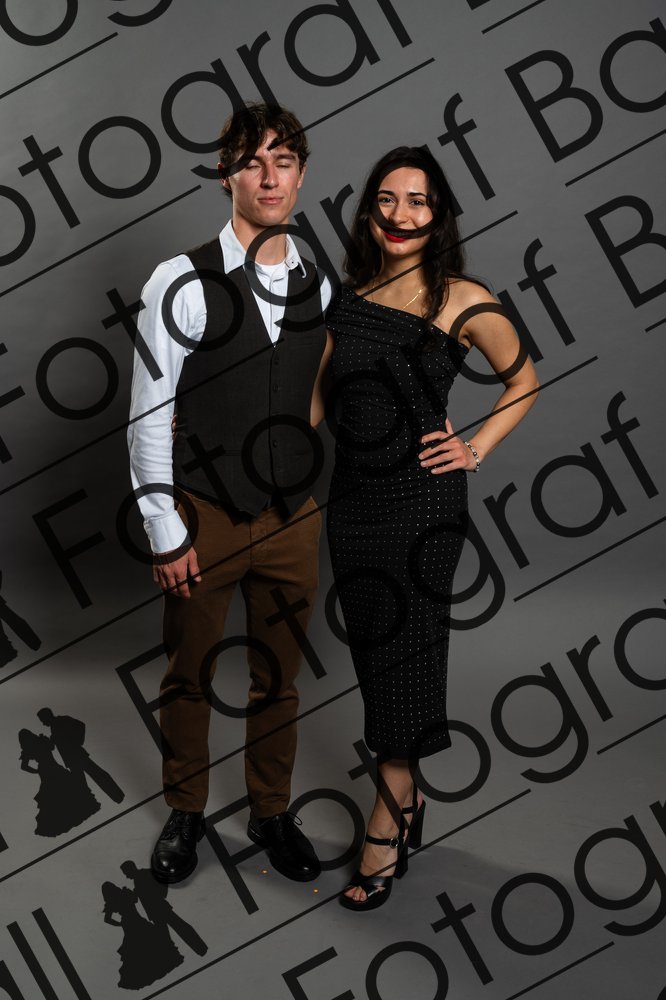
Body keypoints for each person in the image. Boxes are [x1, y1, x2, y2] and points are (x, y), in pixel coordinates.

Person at [315, 146, 539, 911]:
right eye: (386, 198)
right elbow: (310, 409)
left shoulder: (462, 299)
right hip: (352, 506)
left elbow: (523, 379)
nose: (400, 214)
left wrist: (474, 446)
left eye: (417, 200)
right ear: (369, 212)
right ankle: (407, 797)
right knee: (375, 654)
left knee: (405, 656)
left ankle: (391, 811)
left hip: (422, 507)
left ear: (438, 215)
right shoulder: (346, 299)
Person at [128, 102, 331, 884]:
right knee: (190, 672)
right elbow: (148, 413)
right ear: (226, 175)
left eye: (284, 160)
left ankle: (271, 811)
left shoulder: (319, 277)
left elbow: (314, 381)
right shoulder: (179, 280)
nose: (268, 176)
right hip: (204, 515)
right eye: (252, 161)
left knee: (279, 676)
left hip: (293, 518)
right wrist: (164, 527)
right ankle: (185, 809)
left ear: (302, 174)